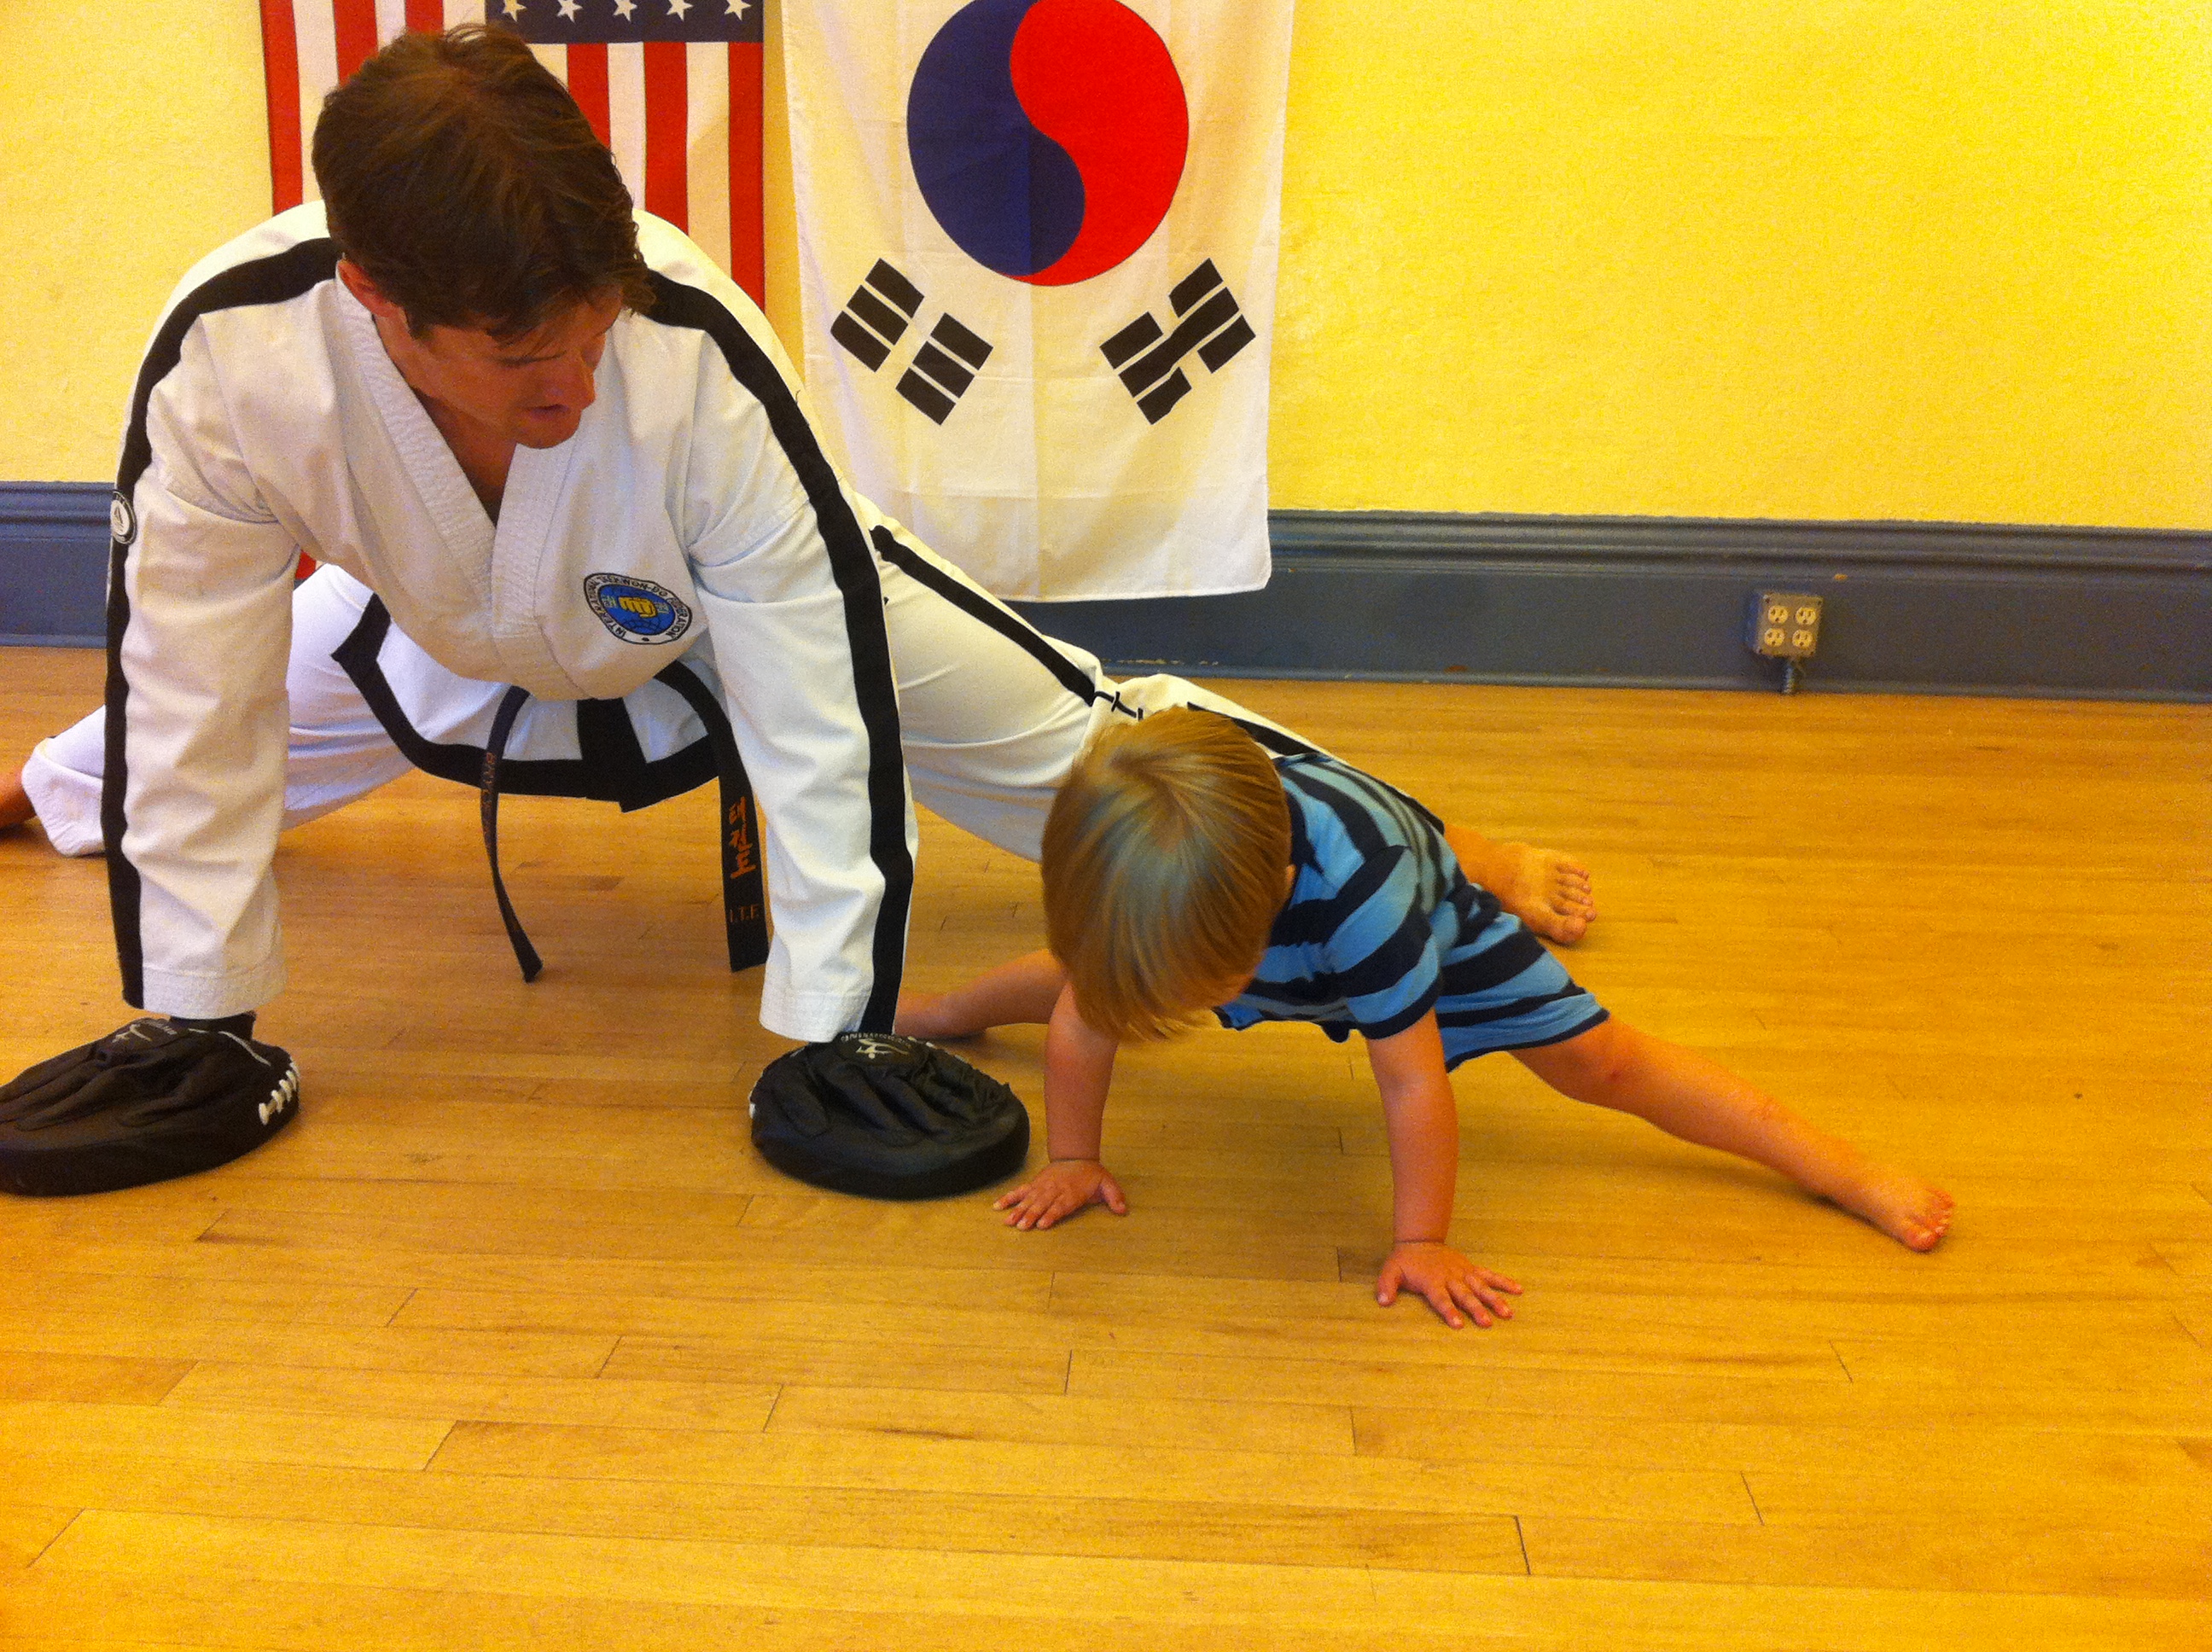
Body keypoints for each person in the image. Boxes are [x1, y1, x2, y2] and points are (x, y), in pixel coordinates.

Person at [3, 26, 1593, 1114]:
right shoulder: (234, 356)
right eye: (515, 355)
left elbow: (821, 718)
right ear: (375, 300)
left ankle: (1433, 842)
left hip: (734, 587)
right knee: (201, 735)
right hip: (425, 607)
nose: (568, 381)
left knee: (1102, 758)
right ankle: (37, 794)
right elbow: (188, 666)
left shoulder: (691, 357)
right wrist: (194, 1005)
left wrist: (832, 1021)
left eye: (588, 330)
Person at [896, 709, 1954, 1330]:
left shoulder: (1375, 901)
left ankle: (1840, 1168)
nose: (1156, 1006)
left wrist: (1422, 1239)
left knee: (1606, 1063)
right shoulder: (1152, 882)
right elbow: (1088, 1012)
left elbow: (1411, 1080)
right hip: (1238, 905)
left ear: (1258, 915)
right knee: (1086, 984)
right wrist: (1074, 1155)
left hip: (1433, 920)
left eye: (1185, 985)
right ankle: (943, 1011)